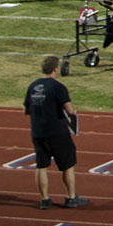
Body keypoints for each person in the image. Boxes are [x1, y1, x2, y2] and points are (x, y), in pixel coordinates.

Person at [24, 57, 87, 209]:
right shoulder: (58, 87)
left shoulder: (32, 86)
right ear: (55, 69)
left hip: (38, 131)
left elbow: (26, 110)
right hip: (57, 131)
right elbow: (69, 109)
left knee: (41, 166)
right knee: (67, 165)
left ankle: (45, 199)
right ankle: (71, 197)